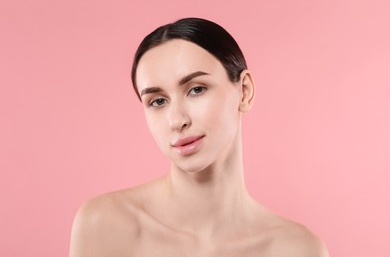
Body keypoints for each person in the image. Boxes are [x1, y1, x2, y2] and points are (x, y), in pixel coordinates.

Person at [69, 17, 329, 257]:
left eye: (196, 89)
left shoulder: (298, 249)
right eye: (158, 101)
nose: (177, 120)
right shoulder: (105, 224)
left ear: (245, 91)